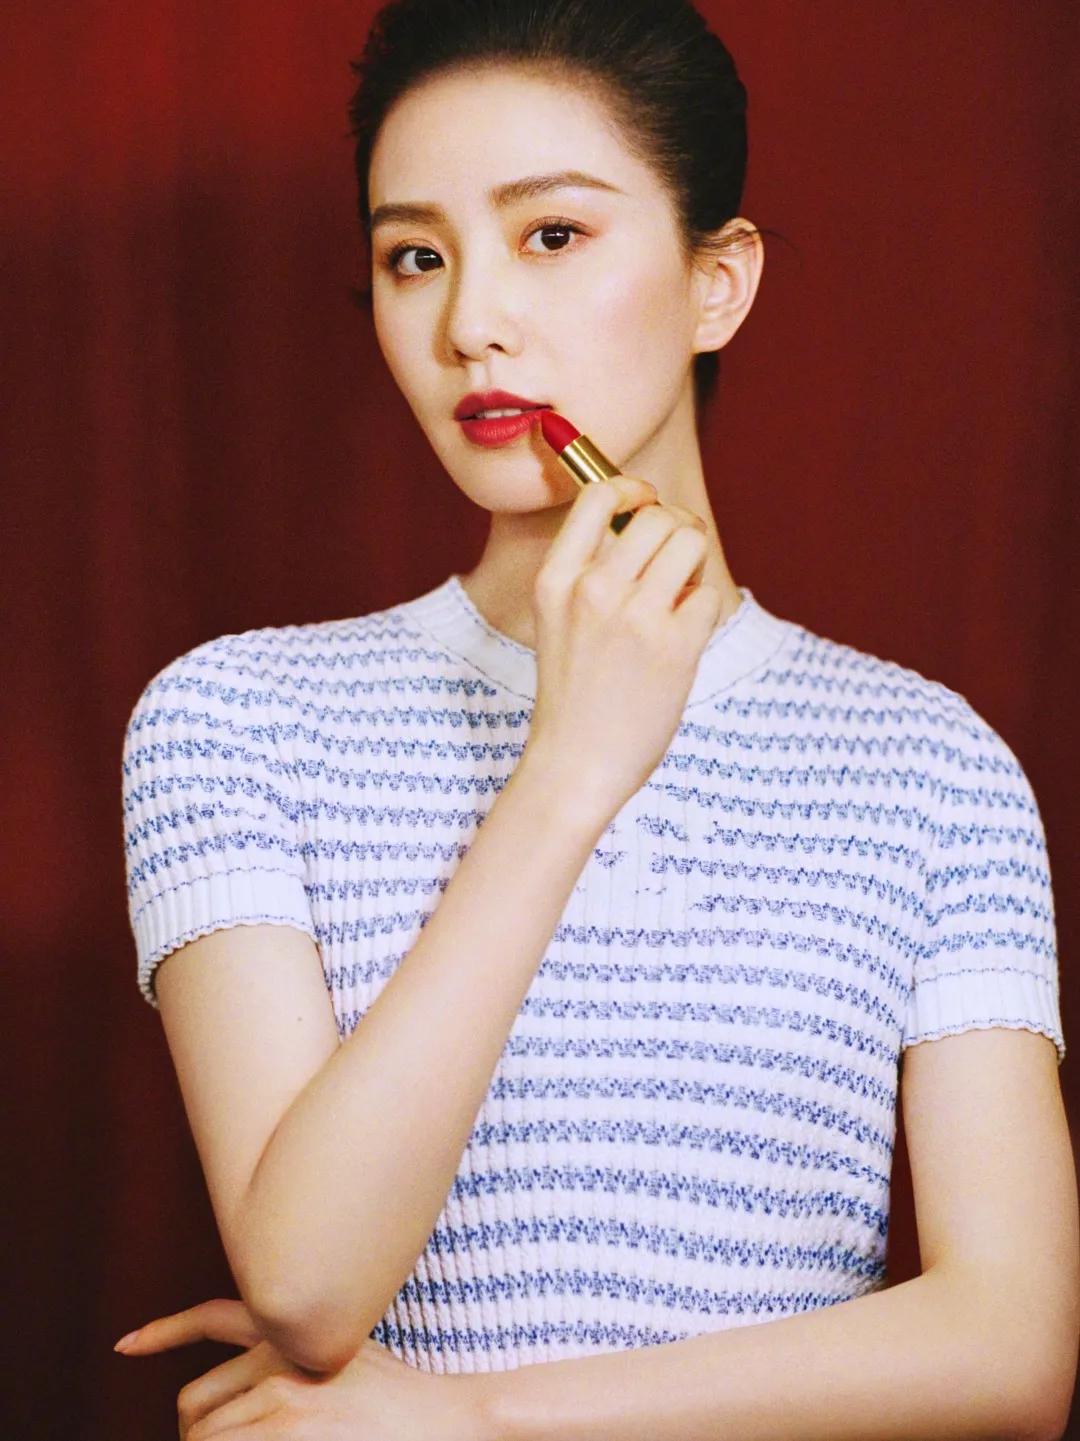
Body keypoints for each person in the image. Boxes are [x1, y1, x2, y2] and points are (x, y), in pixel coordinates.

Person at [116, 3, 1078, 1437]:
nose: (470, 324)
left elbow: (1012, 1350)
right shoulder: (237, 720)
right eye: (415, 256)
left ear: (715, 284)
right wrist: (568, 774)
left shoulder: (929, 764)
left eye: (551, 235)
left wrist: (474, 1419)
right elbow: (309, 1280)